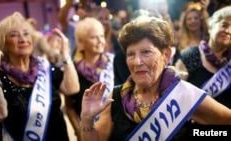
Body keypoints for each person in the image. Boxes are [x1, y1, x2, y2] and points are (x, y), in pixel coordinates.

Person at [79, 16, 231, 141]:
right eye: (131, 54)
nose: (137, 62)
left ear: (166, 56)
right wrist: (86, 119)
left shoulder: (185, 95)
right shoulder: (116, 97)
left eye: (146, 52)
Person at [0, 12, 79, 141]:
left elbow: (72, 89)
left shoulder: (45, 66)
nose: (23, 39)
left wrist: (66, 55)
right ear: (3, 43)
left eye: (26, 33)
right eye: (14, 35)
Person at [175, 5, 231, 139]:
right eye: (224, 24)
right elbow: (174, 95)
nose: (228, 30)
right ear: (211, 26)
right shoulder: (191, 55)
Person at [64, 17, 114, 141]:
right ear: (81, 42)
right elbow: (69, 107)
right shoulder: (72, 69)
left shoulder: (114, 63)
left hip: (113, 130)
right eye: (93, 37)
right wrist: (78, 131)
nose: (100, 41)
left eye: (101, 36)